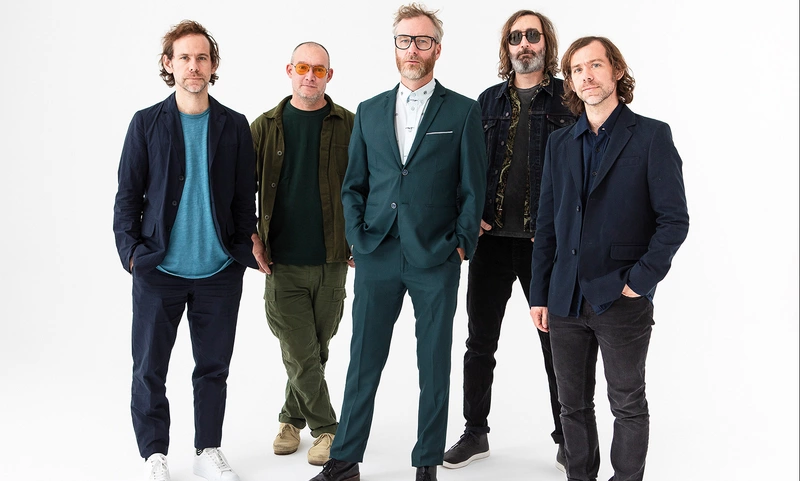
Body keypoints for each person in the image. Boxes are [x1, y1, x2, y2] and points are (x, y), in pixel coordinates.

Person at [309, 3, 487, 481]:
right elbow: (354, 186)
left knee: (434, 365)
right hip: (377, 253)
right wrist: (356, 237)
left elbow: (473, 188)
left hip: (436, 256)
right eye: (404, 40)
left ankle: (426, 462)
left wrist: (461, 244)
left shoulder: (463, 111)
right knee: (363, 361)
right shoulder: (369, 111)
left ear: (437, 49)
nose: (413, 49)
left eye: (422, 41)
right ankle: (345, 460)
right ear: (394, 47)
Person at [529, 36, 689, 481]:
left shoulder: (652, 135)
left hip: (621, 296)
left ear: (617, 70)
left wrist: (638, 282)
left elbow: (674, 221)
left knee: (627, 403)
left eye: (595, 65)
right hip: (564, 298)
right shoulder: (560, 143)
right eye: (577, 69)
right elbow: (546, 225)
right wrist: (539, 293)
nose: (587, 76)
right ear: (570, 81)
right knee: (571, 405)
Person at [113, 19, 257, 481]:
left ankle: (207, 448)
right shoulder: (146, 123)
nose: (193, 66)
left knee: (213, 369)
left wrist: (242, 249)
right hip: (159, 271)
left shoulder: (234, 125)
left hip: (219, 271)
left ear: (212, 66)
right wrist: (132, 255)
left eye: (201, 58)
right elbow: (127, 197)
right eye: (184, 58)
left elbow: (244, 199)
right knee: (148, 369)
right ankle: (154, 454)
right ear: (168, 64)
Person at [442, 10, 575, 473]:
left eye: (532, 35)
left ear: (546, 43)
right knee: (480, 342)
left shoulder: (568, 98)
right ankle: (475, 432)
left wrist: (563, 225)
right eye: (516, 37)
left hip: (546, 246)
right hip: (492, 243)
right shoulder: (487, 101)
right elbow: (464, 165)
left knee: (557, 345)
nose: (524, 44)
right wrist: (469, 211)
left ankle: (568, 437)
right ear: (507, 47)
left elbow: (584, 166)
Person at [249, 41, 355, 467]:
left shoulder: (350, 124)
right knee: (300, 351)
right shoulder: (263, 127)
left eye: (319, 69)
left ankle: (290, 419)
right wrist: (250, 237)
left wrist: (362, 236)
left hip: (333, 261)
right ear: (289, 70)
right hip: (281, 262)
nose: (310, 75)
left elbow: (370, 184)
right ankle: (328, 428)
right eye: (303, 67)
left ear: (330, 75)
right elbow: (237, 190)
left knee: (314, 351)